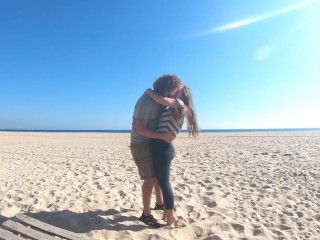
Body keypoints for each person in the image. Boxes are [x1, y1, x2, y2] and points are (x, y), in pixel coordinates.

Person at [130, 74, 183, 228]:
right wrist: (162, 136)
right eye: (175, 91)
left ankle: (160, 204)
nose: (176, 94)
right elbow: (140, 129)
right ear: (169, 90)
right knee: (150, 178)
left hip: (153, 141)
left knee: (159, 176)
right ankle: (146, 214)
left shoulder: (162, 100)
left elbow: (180, 106)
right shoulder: (146, 102)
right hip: (141, 143)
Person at [145, 86, 200, 227]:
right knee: (161, 181)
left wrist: (148, 91)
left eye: (178, 91)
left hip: (163, 148)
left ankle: (171, 217)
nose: (175, 92)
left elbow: (160, 99)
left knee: (164, 183)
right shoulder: (178, 107)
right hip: (161, 147)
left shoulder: (179, 104)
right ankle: (165, 211)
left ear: (184, 95)